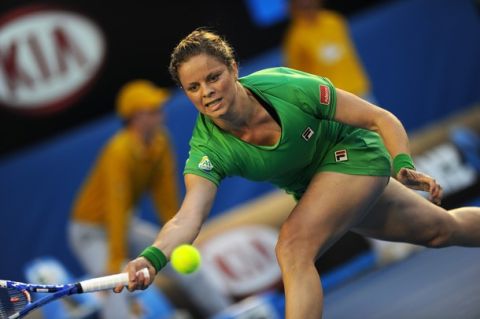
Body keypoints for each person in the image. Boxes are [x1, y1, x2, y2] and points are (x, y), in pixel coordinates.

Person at [115, 29, 480, 319]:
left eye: (214, 77)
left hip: (353, 153)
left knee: (292, 247)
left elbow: (378, 118)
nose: (207, 92)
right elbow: (187, 218)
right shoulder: (207, 150)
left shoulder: (287, 87)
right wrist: (152, 257)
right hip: (317, 189)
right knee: (440, 230)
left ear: (234, 68)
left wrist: (402, 164)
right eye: (193, 87)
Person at [69, 79, 231, 318]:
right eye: (153, 111)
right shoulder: (119, 151)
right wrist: (115, 259)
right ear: (136, 118)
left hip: (125, 225)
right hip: (91, 232)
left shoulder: (160, 142)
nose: (161, 115)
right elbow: (116, 206)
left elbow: (165, 197)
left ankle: (229, 313)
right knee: (117, 284)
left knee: (182, 261)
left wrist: (182, 237)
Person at [283, 0, 373, 101]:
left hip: (359, 89)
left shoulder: (334, 20)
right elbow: (295, 78)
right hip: (333, 101)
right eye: (302, 4)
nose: (307, 3)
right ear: (293, 6)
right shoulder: (295, 39)